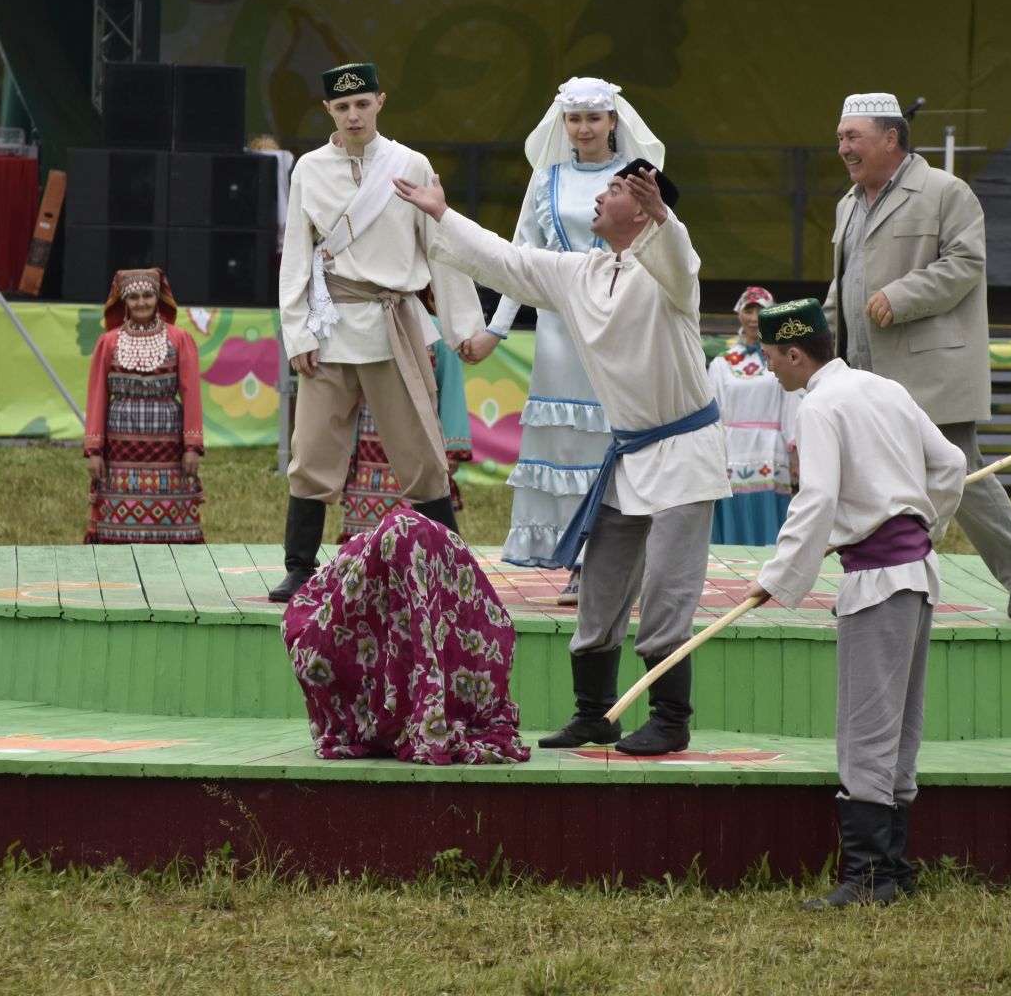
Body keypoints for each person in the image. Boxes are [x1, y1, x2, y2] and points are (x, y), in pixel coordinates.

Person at [396, 159, 729, 757]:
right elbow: (506, 260)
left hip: (683, 454)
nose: (599, 196)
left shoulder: (671, 274)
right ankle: (593, 715)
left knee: (666, 595)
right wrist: (443, 213)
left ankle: (671, 719)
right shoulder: (580, 272)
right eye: (608, 185)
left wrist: (662, 215)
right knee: (600, 588)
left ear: (647, 208)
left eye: (618, 189)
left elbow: (678, 257)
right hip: (627, 455)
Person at [736, 298, 966, 908]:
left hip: (877, 582)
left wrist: (776, 578)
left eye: (770, 356)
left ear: (794, 351)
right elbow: (952, 464)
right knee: (900, 728)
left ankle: (869, 878)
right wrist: (926, 528)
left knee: (866, 729)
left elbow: (816, 501)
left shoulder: (819, 405)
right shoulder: (882, 388)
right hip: (918, 576)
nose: (770, 369)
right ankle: (892, 870)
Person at [823, 91, 1011, 619]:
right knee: (864, 479)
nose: (843, 149)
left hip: (931, 370)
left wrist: (899, 297)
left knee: (959, 472)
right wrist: (817, 343)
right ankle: (869, 583)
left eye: (852, 137)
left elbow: (965, 264)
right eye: (840, 139)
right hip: (862, 370)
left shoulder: (947, 192)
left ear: (890, 138)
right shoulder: (848, 204)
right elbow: (842, 286)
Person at [271, 63, 485, 602]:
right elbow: (295, 254)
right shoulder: (309, 170)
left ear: (380, 102)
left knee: (419, 450)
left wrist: (463, 329)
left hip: (395, 321)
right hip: (333, 321)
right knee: (312, 449)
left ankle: (449, 567)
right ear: (328, 112)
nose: (353, 114)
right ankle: (299, 566)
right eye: (342, 107)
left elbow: (440, 245)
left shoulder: (409, 162)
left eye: (362, 103)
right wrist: (298, 334)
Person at [459, 77, 668, 603]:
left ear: (613, 121)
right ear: (563, 123)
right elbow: (518, 260)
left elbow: (665, 249)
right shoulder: (545, 179)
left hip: (619, 324)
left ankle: (616, 561)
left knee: (616, 441)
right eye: (575, 119)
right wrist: (494, 329)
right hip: (559, 331)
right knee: (570, 442)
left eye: (594, 118)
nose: (584, 128)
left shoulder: (638, 179)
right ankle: (575, 557)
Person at [283, 508, 529, 764]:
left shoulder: (463, 586)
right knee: (398, 626)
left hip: (446, 628)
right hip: (373, 617)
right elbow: (305, 618)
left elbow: (490, 634)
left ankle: (398, 715)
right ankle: (390, 717)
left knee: (415, 626)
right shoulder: (363, 555)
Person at [82, 268, 206, 544]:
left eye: (148, 295)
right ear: (124, 301)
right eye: (134, 296)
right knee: (115, 525)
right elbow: (97, 397)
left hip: (169, 450)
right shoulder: (108, 342)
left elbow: (191, 394)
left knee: (174, 524)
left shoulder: (179, 339)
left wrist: (192, 446)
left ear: (158, 298)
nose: (141, 302)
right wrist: (94, 450)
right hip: (118, 450)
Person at [339, 312, 471, 542]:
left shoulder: (435, 331)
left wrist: (452, 446)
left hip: (421, 449)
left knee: (424, 537)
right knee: (367, 543)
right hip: (370, 464)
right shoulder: (362, 324)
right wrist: (345, 450)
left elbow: (451, 389)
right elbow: (350, 392)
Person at [708, 286, 800, 545]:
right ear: (739, 314)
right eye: (749, 310)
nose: (753, 317)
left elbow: (792, 404)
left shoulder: (785, 359)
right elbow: (713, 414)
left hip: (771, 451)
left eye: (761, 310)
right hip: (732, 451)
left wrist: (795, 450)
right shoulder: (721, 364)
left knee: (770, 522)